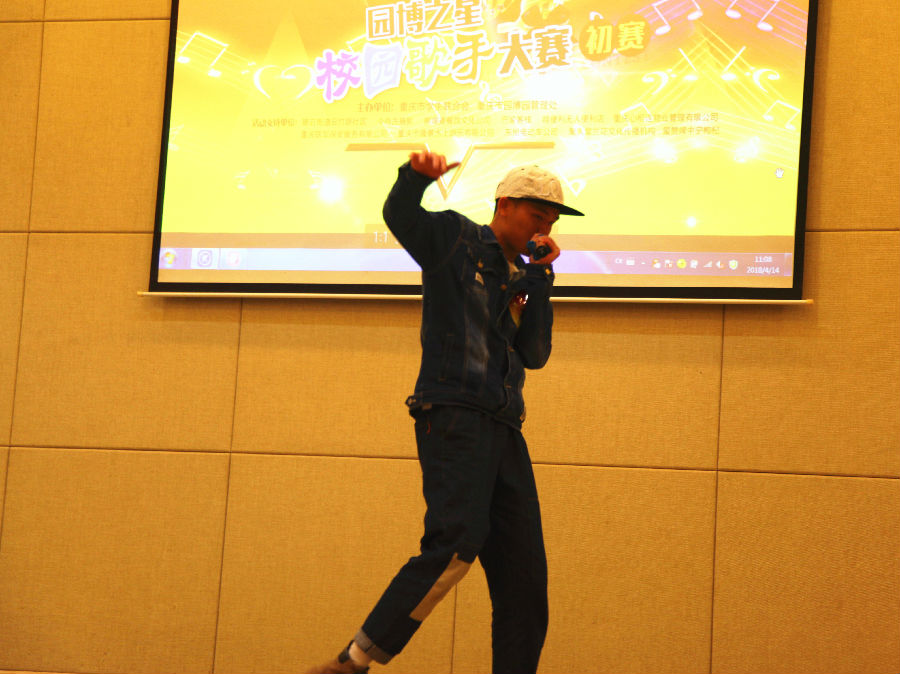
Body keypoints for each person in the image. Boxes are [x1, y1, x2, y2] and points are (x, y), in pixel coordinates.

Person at [307, 151, 584, 674]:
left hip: (505, 426)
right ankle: (355, 659)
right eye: (536, 216)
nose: (543, 229)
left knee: (525, 581)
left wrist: (541, 279)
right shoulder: (456, 240)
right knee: (455, 541)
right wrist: (415, 177)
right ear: (504, 205)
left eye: (551, 222)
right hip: (454, 413)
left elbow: (534, 354)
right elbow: (401, 216)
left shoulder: (523, 274)